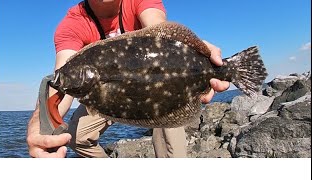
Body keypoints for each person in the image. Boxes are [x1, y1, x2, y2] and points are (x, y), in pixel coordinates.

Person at [26, 0, 230, 158]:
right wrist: (41, 126)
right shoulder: (73, 23)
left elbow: (159, 27)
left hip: (160, 90)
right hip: (106, 97)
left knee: (172, 141)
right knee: (76, 136)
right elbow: (59, 85)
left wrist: (201, 55)